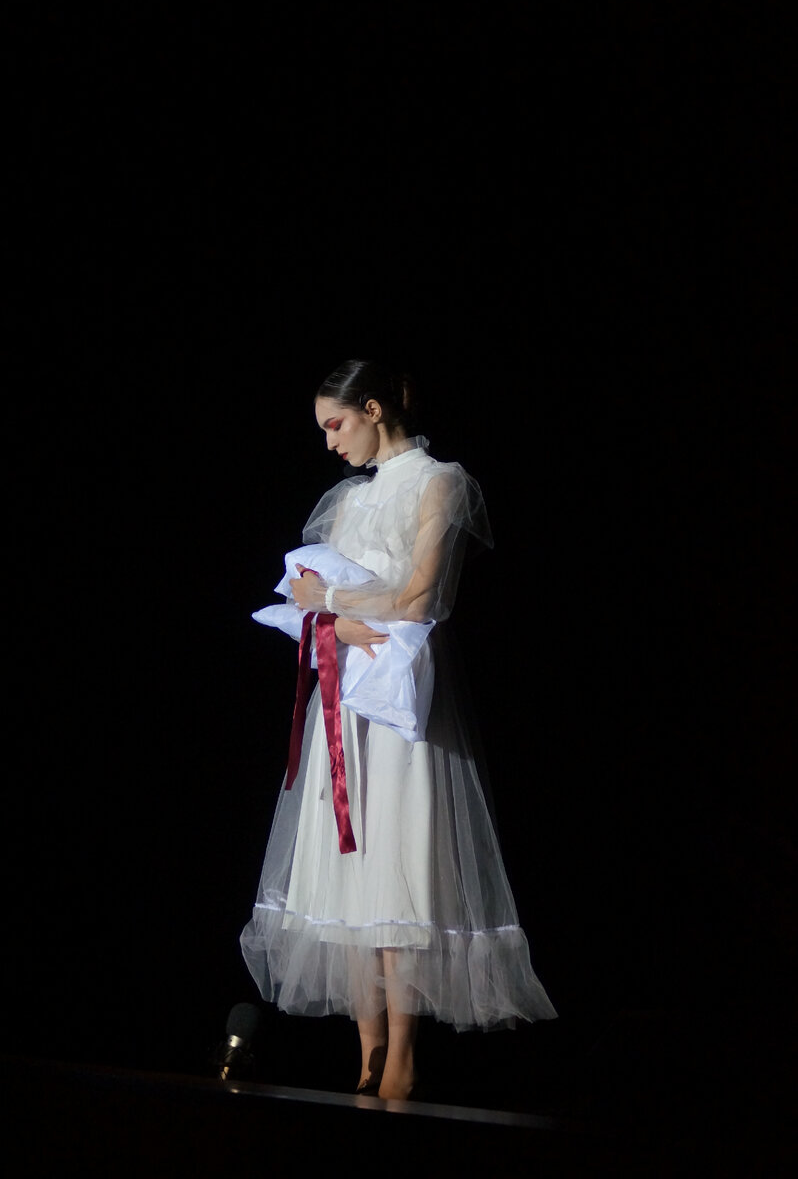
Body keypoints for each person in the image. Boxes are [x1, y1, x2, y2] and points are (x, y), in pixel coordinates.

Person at [240, 359, 556, 1100]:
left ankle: (404, 1057)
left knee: (398, 862)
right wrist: (326, 617)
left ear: (374, 409)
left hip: (402, 696)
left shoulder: (439, 482)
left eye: (336, 424)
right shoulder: (347, 501)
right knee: (348, 869)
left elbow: (421, 598)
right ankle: (367, 1052)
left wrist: (333, 606)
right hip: (348, 696)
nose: (330, 442)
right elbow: (309, 597)